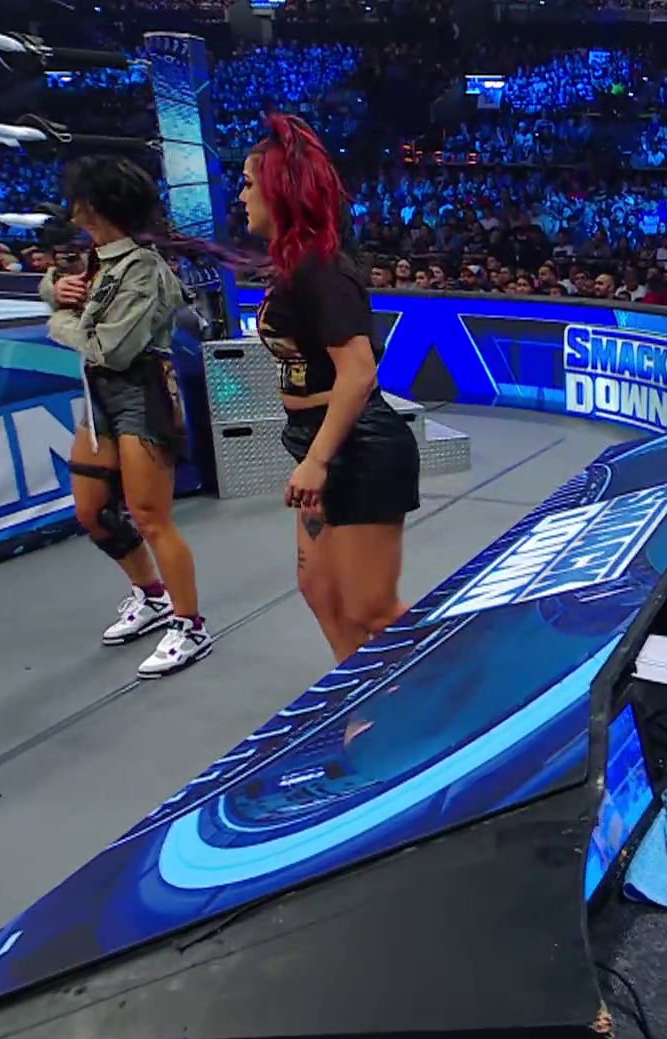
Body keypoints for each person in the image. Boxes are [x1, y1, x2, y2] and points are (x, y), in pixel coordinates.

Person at [242, 114, 421, 662]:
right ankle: (361, 697)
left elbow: (359, 373)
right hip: (317, 440)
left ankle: (456, 691)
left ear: (278, 191)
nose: (241, 196)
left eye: (248, 184)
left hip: (358, 449)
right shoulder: (296, 265)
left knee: (372, 609)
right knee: (319, 589)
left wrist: (317, 461)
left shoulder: (322, 270)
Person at [43, 155, 211, 678]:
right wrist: (54, 288)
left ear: (95, 205)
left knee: (151, 516)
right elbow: (66, 293)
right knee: (93, 510)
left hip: (141, 391)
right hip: (99, 395)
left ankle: (191, 625)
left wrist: (57, 321)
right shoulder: (94, 260)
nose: (69, 206)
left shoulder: (142, 267)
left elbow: (111, 349)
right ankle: (151, 594)